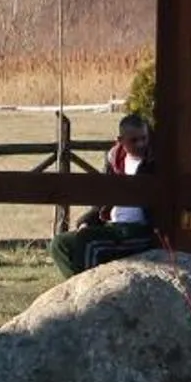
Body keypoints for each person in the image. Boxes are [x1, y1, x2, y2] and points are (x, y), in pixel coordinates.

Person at [48, 114, 159, 277]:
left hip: (139, 230)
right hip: (112, 226)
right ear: (120, 140)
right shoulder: (114, 160)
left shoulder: (155, 162)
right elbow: (103, 198)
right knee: (60, 244)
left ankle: (88, 296)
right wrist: (87, 220)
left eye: (144, 138)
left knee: (89, 241)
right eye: (134, 140)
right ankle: (76, 290)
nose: (141, 144)